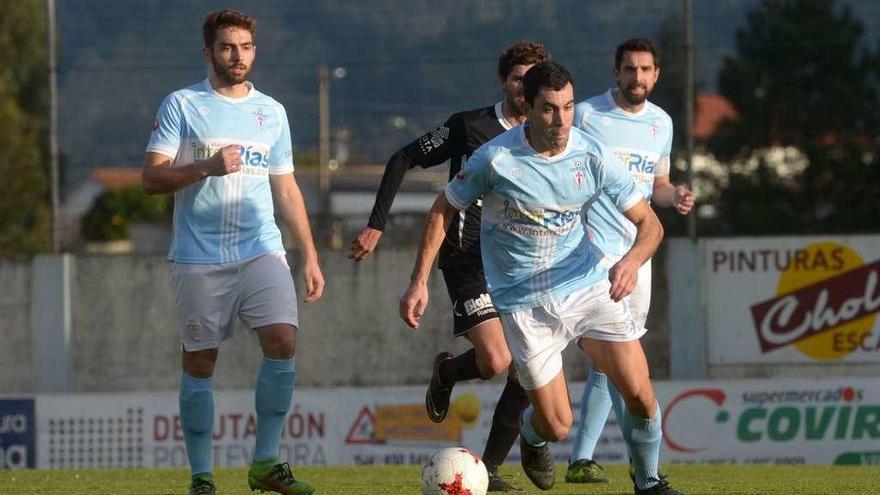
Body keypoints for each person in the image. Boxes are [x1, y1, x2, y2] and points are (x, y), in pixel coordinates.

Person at [400, 61, 685, 495]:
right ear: (528, 107)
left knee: (640, 393)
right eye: (550, 109)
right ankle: (533, 438)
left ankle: (649, 482)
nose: (562, 120)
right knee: (556, 424)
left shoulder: (591, 155)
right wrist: (419, 280)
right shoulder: (496, 159)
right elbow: (443, 207)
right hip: (525, 305)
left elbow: (651, 225)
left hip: (588, 286)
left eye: (569, 107)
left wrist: (629, 261)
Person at [350, 42, 550, 492]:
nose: (525, 87)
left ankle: (492, 471)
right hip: (466, 259)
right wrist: (377, 226)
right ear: (505, 81)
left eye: (534, 78)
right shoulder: (471, 126)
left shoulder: (549, 138)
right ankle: (446, 374)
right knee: (497, 359)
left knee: (526, 367)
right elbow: (402, 157)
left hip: (520, 265)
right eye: (519, 77)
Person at [141, 9, 324, 495]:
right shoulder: (182, 104)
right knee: (200, 362)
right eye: (227, 47)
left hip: (261, 248)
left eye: (245, 47)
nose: (237, 56)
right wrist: (205, 167)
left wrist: (308, 252)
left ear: (254, 51)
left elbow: (285, 188)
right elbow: (151, 178)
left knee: (283, 340)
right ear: (208, 52)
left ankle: (265, 463)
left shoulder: (273, 112)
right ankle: (202, 476)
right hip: (198, 256)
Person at [565, 38, 695, 485]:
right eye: (629, 69)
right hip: (593, 254)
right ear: (616, 72)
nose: (637, 77)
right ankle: (613, 465)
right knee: (615, 354)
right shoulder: (585, 115)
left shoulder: (662, 123)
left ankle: (582, 457)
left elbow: (655, 183)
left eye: (645, 70)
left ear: (656, 75)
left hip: (638, 256)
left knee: (616, 360)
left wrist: (673, 193)